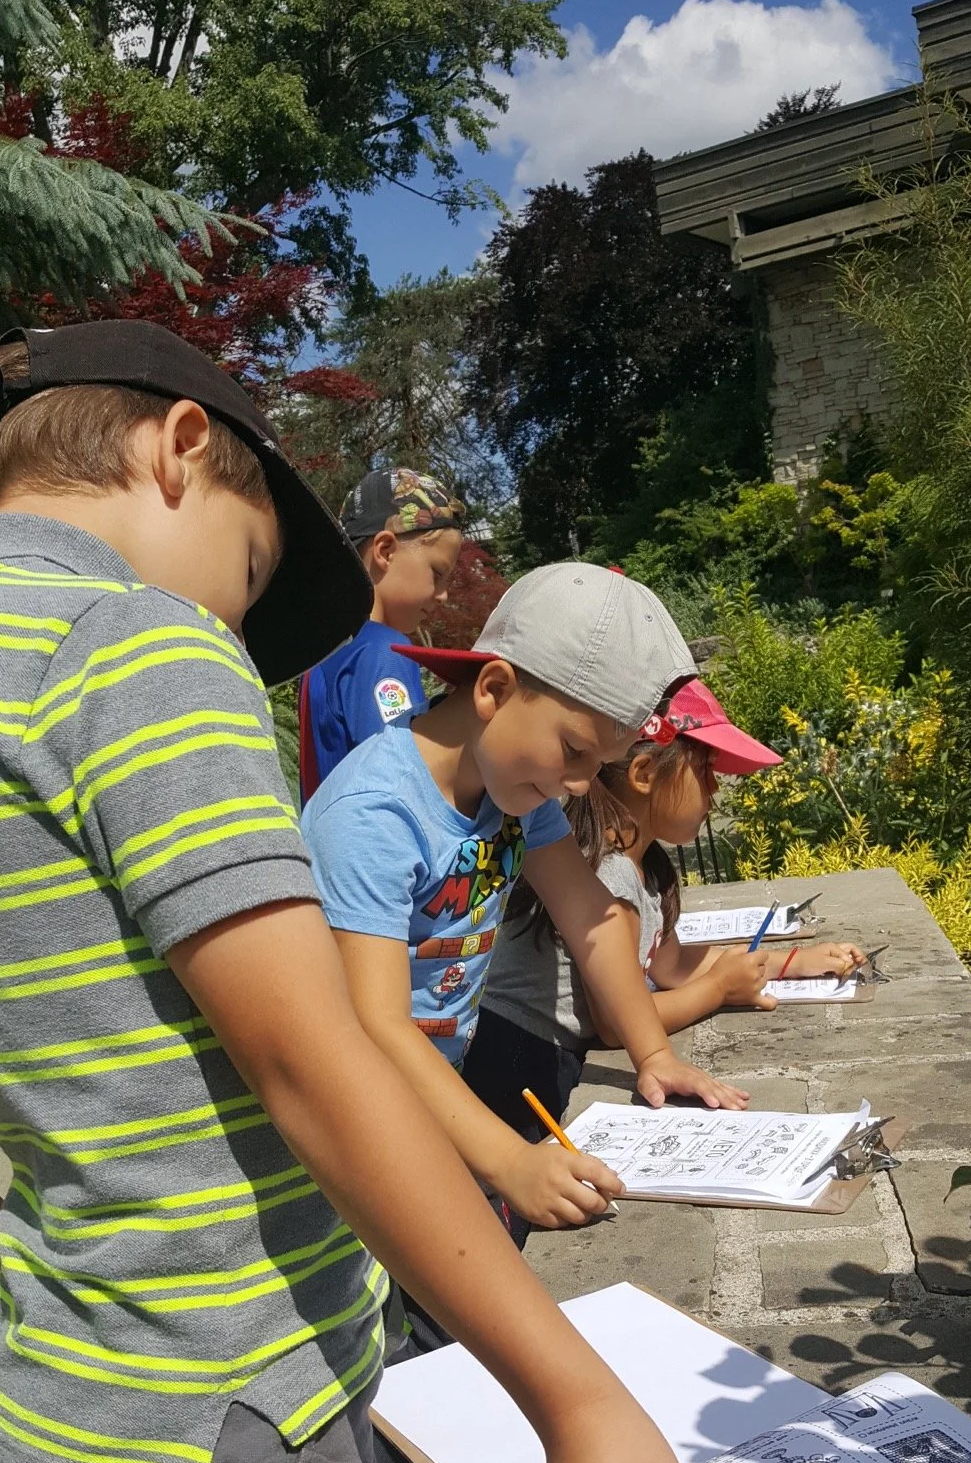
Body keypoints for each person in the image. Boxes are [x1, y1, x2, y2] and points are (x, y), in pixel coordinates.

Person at [0, 324, 739, 1463]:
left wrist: (21, 1281)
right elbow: (315, 1062)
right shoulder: (139, 647)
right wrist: (575, 1403)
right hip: (232, 1426)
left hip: (92, 1421)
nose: (232, 612)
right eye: (246, 568)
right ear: (177, 452)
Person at [300, 564, 749, 1305]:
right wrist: (508, 1161)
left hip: (433, 1106)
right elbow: (374, 1026)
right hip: (354, 1125)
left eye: (597, 765)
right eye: (573, 752)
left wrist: (655, 1053)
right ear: (494, 690)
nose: (580, 787)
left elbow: (594, 921)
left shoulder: (513, 799)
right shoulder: (375, 816)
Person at [463, 675, 866, 1147]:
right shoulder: (609, 874)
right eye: (706, 770)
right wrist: (717, 990)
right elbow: (615, 1024)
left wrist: (792, 964)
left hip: (533, 1053)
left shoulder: (644, 867)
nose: (716, 789)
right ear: (645, 773)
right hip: (517, 1060)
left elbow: (670, 965)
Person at [297, 467, 466, 801]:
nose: (444, 595)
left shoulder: (325, 653)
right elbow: (403, 785)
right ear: (385, 551)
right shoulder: (384, 652)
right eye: (437, 573)